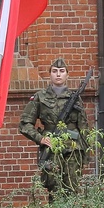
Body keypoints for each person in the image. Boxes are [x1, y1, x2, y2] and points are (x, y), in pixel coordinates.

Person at [19, 58, 88, 195]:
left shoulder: (74, 98)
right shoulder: (40, 97)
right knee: (54, 188)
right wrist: (40, 138)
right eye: (54, 71)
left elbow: (84, 127)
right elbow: (25, 124)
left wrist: (84, 153)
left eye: (62, 71)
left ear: (67, 75)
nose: (58, 74)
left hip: (72, 149)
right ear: (49, 74)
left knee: (73, 189)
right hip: (51, 148)